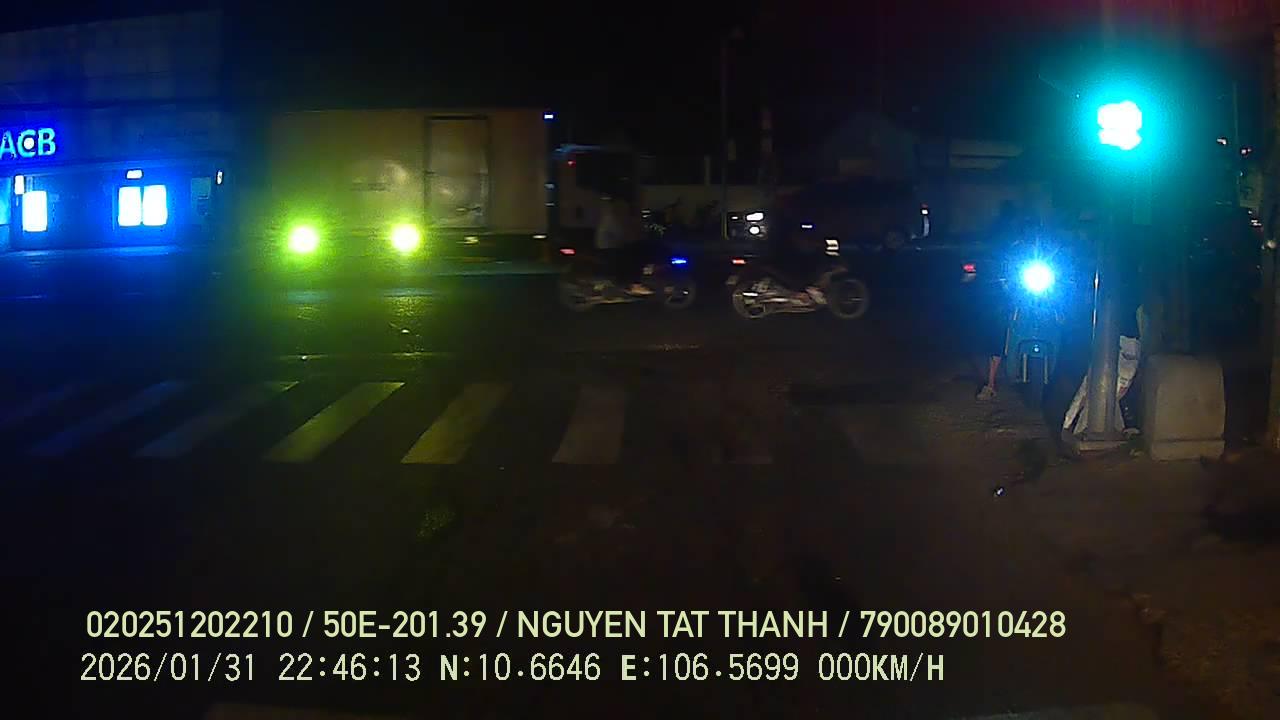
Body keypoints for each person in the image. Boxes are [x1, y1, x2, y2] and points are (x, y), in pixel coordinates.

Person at [594, 194, 652, 296]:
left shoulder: (612, 217)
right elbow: (621, 235)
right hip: (609, 249)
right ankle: (633, 283)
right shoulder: (612, 218)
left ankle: (630, 282)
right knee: (633, 255)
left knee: (633, 250)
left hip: (610, 247)